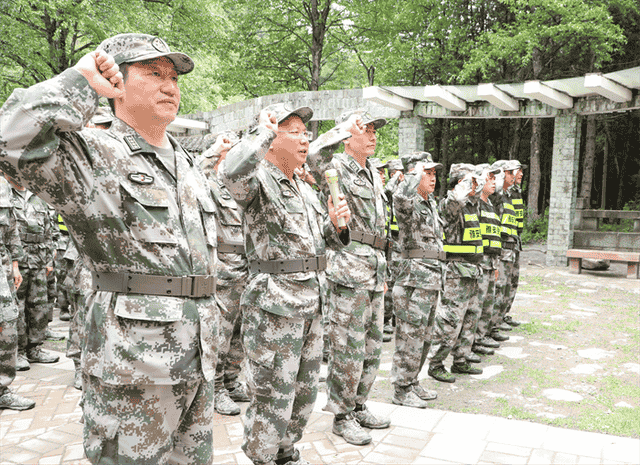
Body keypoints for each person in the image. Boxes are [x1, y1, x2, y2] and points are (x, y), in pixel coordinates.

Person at [0, 33, 220, 464]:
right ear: (116, 80)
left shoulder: (186, 164)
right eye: (153, 73)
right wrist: (79, 82)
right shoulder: (95, 153)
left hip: (199, 355)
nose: (169, 85)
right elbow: (9, 140)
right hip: (135, 364)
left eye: (173, 76)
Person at [221, 103, 352, 465]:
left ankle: (284, 453)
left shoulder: (304, 188)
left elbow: (319, 244)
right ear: (272, 138)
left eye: (305, 131)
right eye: (292, 130)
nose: (304, 137)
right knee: (272, 397)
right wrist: (261, 132)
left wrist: (337, 226)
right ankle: (262, 458)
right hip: (275, 307)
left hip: (311, 303)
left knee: (304, 395)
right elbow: (229, 172)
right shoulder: (258, 180)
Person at [307, 109, 390, 446]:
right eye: (364, 129)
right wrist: (340, 129)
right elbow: (313, 154)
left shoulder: (374, 173)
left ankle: (358, 405)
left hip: (374, 269)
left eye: (373, 130)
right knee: (347, 346)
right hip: (347, 269)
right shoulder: (336, 168)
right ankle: (342, 415)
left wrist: (385, 270)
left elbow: (381, 229)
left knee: (371, 347)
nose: (371, 135)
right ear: (347, 135)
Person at [199, 131, 251, 416]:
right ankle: (215, 388)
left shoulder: (243, 184)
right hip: (224, 271)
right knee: (221, 334)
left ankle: (231, 381)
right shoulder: (211, 183)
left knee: (240, 334)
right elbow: (192, 174)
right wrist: (214, 150)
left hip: (249, 269)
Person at [390, 152, 445, 408]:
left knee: (424, 336)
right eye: (427, 173)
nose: (432, 178)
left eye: (434, 173)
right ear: (414, 175)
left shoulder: (430, 202)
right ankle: (401, 389)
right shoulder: (408, 199)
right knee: (410, 337)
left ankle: (412, 382)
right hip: (413, 280)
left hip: (431, 277)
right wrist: (413, 175)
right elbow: (399, 198)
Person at [427, 163, 484, 383]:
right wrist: (463, 187)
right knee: (450, 321)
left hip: (472, 270)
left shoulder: (472, 206)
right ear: (460, 183)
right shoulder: (450, 206)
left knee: (470, 318)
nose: (475, 185)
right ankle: (436, 363)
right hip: (455, 272)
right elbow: (453, 202)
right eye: (470, 181)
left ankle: (460, 359)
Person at [7, 181, 59, 369]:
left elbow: (48, 229)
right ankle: (18, 352)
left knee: (39, 305)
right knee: (18, 307)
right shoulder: (6, 192)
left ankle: (34, 348)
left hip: (39, 257)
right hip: (17, 259)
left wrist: (48, 259)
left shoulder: (38, 194)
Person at [0, 176, 34, 411]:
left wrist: (14, 265)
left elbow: (10, 230)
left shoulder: (2, 185)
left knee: (7, 326)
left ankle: (2, 389)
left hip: (2, 268)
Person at [472, 164, 503, 357]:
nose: (493, 182)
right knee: (477, 303)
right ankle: (473, 341)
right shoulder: (475, 204)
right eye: (489, 178)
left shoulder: (490, 204)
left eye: (494, 178)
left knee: (488, 302)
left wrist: (497, 263)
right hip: (480, 261)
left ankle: (481, 337)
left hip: (491, 261)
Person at [489, 160, 520, 343]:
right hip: (501, 250)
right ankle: (492, 325)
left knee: (508, 286)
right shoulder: (497, 196)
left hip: (511, 248)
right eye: (508, 173)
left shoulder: (510, 195)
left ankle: (498, 320)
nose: (514, 175)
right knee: (499, 288)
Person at [504, 160, 527, 328]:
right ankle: (497, 318)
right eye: (517, 171)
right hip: (505, 243)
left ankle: (503, 314)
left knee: (512, 281)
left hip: (515, 240)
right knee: (503, 283)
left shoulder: (517, 191)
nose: (521, 174)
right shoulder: (504, 193)